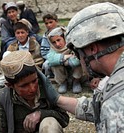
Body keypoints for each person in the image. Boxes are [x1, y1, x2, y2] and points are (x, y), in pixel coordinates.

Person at [46, 2, 124, 132]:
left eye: (78, 53)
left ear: (92, 48)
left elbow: (111, 107)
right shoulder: (115, 80)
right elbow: (99, 106)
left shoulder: (116, 105)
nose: (79, 59)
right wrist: (57, 99)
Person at [0, 51, 69, 133]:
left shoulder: (45, 87)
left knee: (50, 123)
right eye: (24, 86)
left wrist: (41, 114)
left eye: (34, 81)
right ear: (10, 85)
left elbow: (64, 118)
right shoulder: (4, 97)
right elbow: (2, 129)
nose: (32, 89)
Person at [47, 27, 83, 94]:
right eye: (54, 42)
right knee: (55, 65)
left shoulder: (72, 45)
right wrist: (65, 57)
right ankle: (63, 83)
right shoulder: (53, 49)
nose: (57, 44)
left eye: (58, 40)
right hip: (63, 73)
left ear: (64, 37)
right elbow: (50, 60)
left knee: (79, 63)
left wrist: (62, 60)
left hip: (74, 72)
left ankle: (76, 82)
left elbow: (76, 60)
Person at [41, 13, 59, 78]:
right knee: (46, 65)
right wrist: (52, 58)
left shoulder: (63, 32)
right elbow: (44, 52)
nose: (49, 25)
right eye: (46, 23)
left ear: (56, 21)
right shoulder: (45, 37)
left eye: (51, 22)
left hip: (64, 55)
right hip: (51, 57)